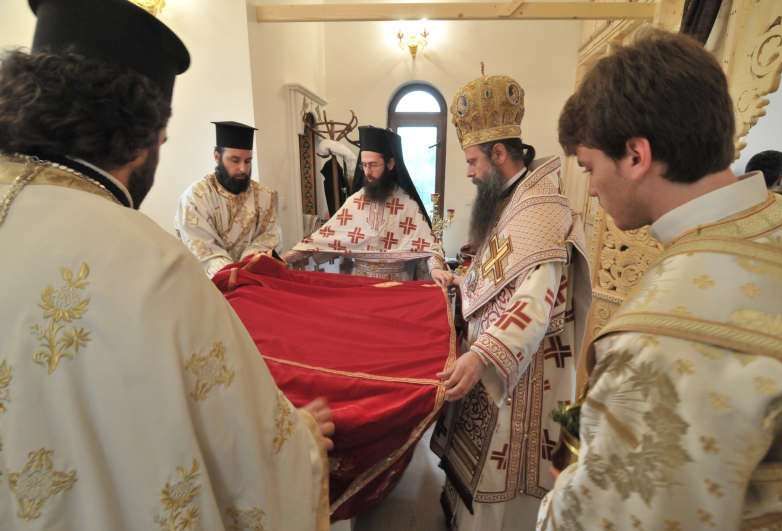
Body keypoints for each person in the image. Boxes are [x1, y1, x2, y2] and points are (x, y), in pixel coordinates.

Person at [0, 1, 332, 528]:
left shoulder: (257, 200)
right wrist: (302, 442)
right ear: (142, 142)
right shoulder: (151, 265)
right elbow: (247, 447)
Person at [538, 29, 782, 530]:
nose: (591, 190)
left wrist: (565, 488)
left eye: (590, 168)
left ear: (636, 156)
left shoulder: (660, 341)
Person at [430, 71, 591, 531]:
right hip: (489, 361)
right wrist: (462, 280)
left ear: (499, 154)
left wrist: (482, 354)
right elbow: (496, 275)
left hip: (519, 372)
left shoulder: (541, 211)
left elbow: (535, 301)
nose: (468, 171)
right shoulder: (509, 201)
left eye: (473, 160)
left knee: (498, 480)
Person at [284, 125, 448, 282]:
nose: (367, 172)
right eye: (364, 165)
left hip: (398, 285)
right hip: (360, 283)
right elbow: (323, 239)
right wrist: (284, 258)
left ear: (390, 164)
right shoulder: (355, 202)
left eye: (373, 165)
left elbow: (429, 247)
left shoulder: (407, 205)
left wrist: (435, 270)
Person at [175, 121, 282, 278]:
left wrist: (249, 265)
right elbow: (203, 251)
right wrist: (234, 276)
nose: (243, 169)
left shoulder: (265, 196)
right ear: (217, 156)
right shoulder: (196, 198)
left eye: (248, 161)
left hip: (254, 280)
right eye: (235, 160)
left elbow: (268, 238)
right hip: (211, 282)